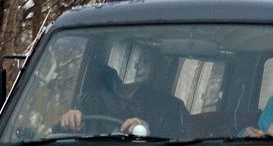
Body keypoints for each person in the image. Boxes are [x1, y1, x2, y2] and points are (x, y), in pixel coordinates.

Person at [60, 55, 191, 139]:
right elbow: (58, 140)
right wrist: (68, 120)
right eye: (132, 62)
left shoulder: (173, 108)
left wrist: (145, 132)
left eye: (144, 64)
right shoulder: (88, 102)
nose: (137, 68)